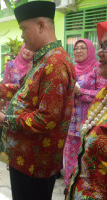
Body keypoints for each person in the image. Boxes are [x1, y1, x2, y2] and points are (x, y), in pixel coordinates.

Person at [0, 1, 75, 200]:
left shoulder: (55, 63)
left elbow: (47, 119)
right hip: (26, 160)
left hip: (35, 164)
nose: (21, 35)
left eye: (23, 29)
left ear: (40, 26)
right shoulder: (45, 59)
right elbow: (23, 91)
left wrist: (5, 119)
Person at [66, 21, 107, 200]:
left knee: (85, 162)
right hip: (72, 127)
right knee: (71, 163)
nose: (79, 51)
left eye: (83, 48)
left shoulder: (98, 71)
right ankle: (69, 188)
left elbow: (101, 96)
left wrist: (80, 91)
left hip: (89, 126)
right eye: (76, 48)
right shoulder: (70, 69)